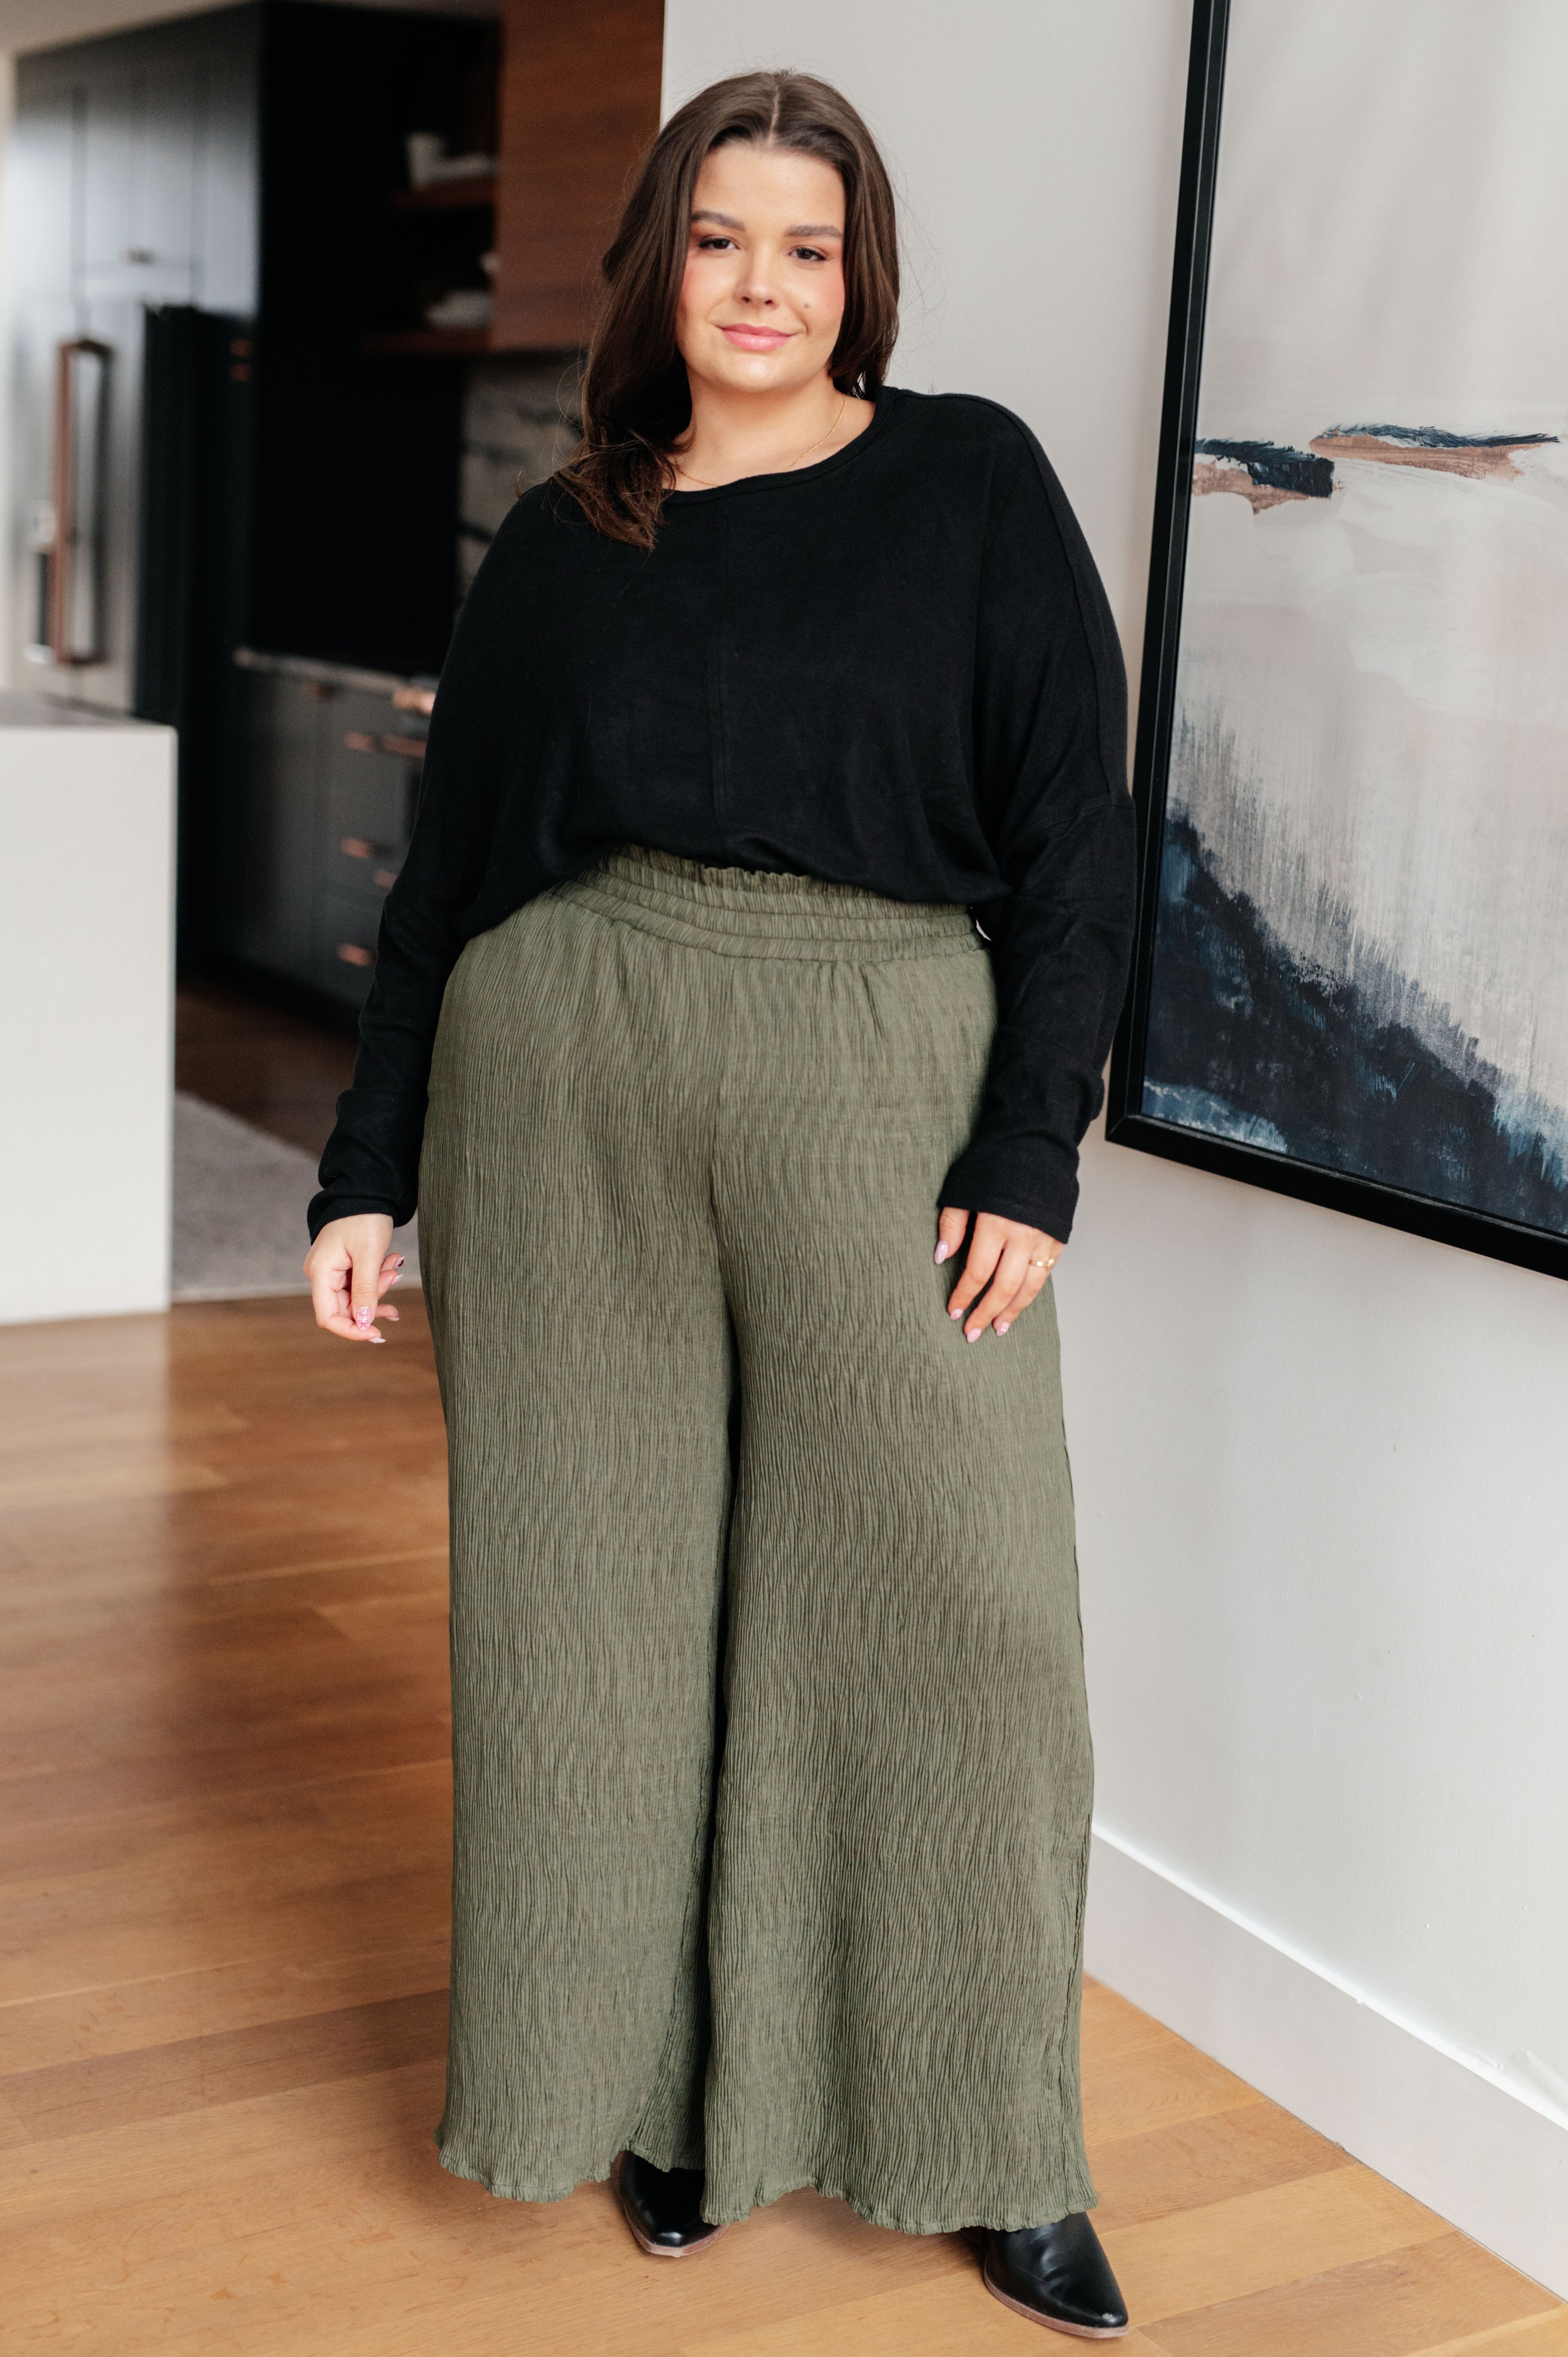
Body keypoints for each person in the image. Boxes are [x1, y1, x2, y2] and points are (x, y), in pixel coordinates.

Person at [304, 68, 1136, 2340]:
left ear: (859, 271)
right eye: (719, 239)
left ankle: (993, 2139)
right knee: (595, 1625)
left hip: (888, 1074)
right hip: (568, 1089)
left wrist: (1029, 1145)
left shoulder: (970, 484)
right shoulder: (572, 535)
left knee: (968, 1628)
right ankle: (666, 2093)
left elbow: (1077, 836)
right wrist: (369, 1173)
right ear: (657, 262)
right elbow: (455, 874)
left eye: (807, 244)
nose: (763, 286)